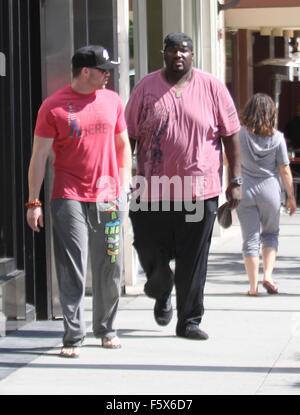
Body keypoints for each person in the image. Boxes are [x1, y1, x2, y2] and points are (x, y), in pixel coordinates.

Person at [125, 32, 241, 340]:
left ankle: (189, 320)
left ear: (193, 55)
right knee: (147, 245)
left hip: (198, 191)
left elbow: (231, 136)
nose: (179, 55)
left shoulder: (212, 87)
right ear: (163, 53)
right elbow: (129, 137)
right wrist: (125, 175)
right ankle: (161, 287)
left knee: (193, 255)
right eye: (173, 50)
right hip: (152, 189)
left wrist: (235, 181)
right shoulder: (145, 88)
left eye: (185, 51)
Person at [26, 45, 132, 357]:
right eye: (103, 70)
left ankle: (106, 328)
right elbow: (39, 156)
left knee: (110, 264)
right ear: (85, 72)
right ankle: (73, 335)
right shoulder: (53, 107)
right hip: (68, 195)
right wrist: (33, 202)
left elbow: (122, 145)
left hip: (109, 197)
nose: (108, 75)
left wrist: (123, 186)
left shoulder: (112, 101)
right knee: (72, 267)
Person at [237, 93, 296, 297]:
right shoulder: (278, 138)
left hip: (245, 190)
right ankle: (268, 276)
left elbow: (229, 161)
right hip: (270, 190)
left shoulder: (240, 134)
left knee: (250, 239)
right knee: (270, 234)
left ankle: (253, 287)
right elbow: (285, 169)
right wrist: (291, 197)